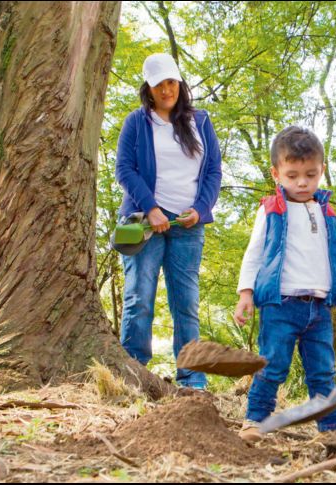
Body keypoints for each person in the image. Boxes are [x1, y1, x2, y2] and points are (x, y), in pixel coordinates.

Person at [233, 126, 336, 442]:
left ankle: (331, 428)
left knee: (323, 372)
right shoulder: (272, 209)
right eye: (292, 175)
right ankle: (255, 420)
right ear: (276, 174)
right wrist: (246, 292)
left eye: (310, 174)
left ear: (322, 171)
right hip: (281, 305)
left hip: (319, 308)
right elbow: (255, 252)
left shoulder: (327, 211)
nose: (302, 182)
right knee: (273, 366)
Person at [115, 53, 222, 390]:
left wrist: (201, 209)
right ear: (148, 88)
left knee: (186, 303)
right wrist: (150, 208)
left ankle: (192, 378)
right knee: (139, 297)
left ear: (180, 84)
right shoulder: (137, 122)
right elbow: (124, 169)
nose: (166, 89)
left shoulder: (201, 122)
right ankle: (133, 372)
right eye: (159, 83)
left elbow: (214, 172)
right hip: (145, 224)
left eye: (171, 82)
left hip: (188, 226)